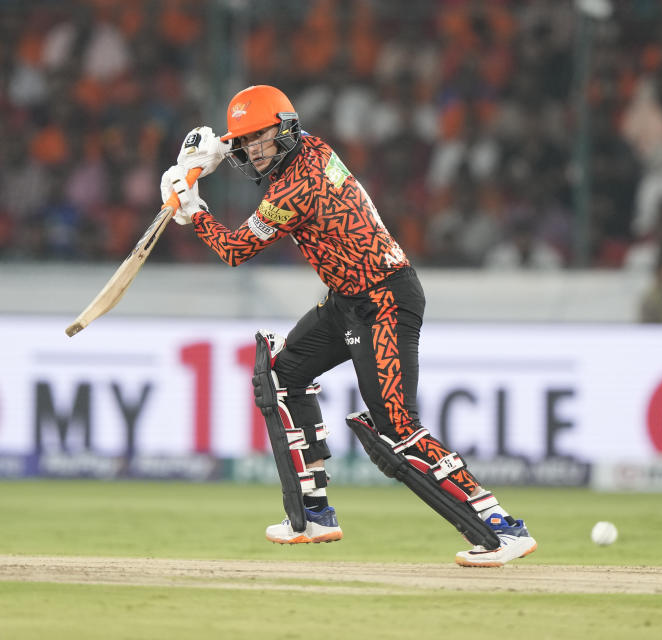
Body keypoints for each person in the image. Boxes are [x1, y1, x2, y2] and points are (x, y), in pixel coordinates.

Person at [159, 85, 536, 567]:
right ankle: (315, 514)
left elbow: (235, 251)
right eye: (245, 143)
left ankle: (504, 529)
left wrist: (193, 209)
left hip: (384, 300)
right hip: (348, 300)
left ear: (286, 131)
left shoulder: (295, 187)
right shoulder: (312, 148)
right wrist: (211, 155)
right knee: (280, 375)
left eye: (262, 139)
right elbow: (260, 152)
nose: (253, 152)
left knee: (397, 428)